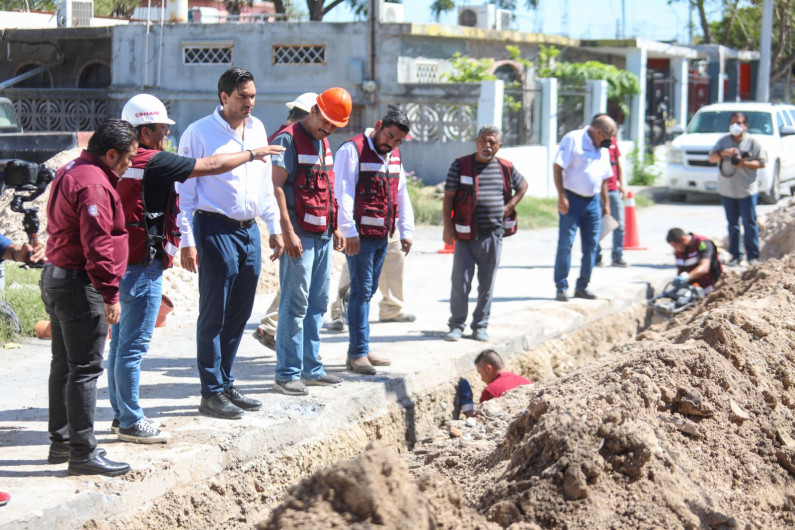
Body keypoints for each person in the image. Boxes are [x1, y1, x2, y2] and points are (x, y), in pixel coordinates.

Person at [109, 94, 283, 442]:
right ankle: (132, 418)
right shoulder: (155, 160)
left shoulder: (110, 164)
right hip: (144, 262)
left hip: (124, 259)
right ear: (144, 132)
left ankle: (124, 414)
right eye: (160, 130)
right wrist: (253, 154)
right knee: (134, 346)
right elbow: (209, 168)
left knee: (120, 344)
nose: (164, 137)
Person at [176, 67, 285, 419]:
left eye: (253, 95)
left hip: (248, 230)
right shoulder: (199, 132)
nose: (250, 102)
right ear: (224, 97)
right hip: (214, 228)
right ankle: (210, 392)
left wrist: (274, 226)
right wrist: (187, 240)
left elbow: (264, 184)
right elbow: (184, 192)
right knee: (214, 314)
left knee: (239, 312)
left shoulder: (257, 129)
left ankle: (225, 381)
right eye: (242, 96)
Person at [41, 118, 137, 476]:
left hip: (57, 276)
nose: (129, 166)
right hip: (80, 284)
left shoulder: (73, 169)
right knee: (84, 369)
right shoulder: (94, 185)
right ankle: (82, 453)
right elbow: (97, 246)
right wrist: (110, 294)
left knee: (64, 365)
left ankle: (62, 443)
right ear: (110, 154)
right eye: (127, 158)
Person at [271, 87, 352, 395]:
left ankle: (312, 368)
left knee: (317, 302)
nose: (328, 129)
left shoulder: (324, 142)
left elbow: (326, 188)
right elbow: (276, 188)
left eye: (335, 126)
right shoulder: (287, 140)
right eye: (326, 121)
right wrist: (287, 232)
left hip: (322, 235)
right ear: (314, 110)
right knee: (295, 304)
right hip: (299, 235)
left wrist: (336, 226)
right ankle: (287, 373)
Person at [334, 109, 414, 375]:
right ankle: (356, 354)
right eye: (389, 136)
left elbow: (401, 192)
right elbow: (342, 191)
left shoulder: (394, 155)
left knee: (367, 292)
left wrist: (406, 230)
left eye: (397, 141)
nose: (390, 144)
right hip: (360, 237)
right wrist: (348, 230)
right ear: (379, 126)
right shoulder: (352, 149)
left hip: (383, 235)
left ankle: (363, 347)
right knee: (361, 290)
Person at [442, 125, 528, 343]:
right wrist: (447, 227)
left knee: (487, 284)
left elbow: (523, 185)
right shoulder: (460, 165)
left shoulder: (505, 168)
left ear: (499, 146)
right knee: (460, 283)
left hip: (493, 235)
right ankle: (456, 325)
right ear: (476, 141)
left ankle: (480, 326)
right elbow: (449, 197)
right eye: (483, 140)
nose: (486, 146)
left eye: (492, 142)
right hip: (464, 236)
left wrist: (510, 205)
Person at [253, 91, 318, 350]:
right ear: (308, 117)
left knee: (297, 283)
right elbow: (276, 186)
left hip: (282, 220)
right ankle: (270, 328)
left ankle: (269, 326)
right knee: (296, 284)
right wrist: (281, 229)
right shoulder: (287, 141)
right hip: (286, 221)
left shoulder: (285, 137)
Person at [553, 115, 616, 302]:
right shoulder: (573, 139)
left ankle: (583, 286)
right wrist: (561, 195)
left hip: (593, 202)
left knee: (592, 246)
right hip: (571, 200)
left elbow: (604, 179)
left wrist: (606, 204)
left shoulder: (603, 149)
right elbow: (558, 167)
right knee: (566, 244)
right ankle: (561, 286)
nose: (610, 140)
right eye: (609, 135)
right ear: (599, 132)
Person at [707, 112, 765, 267]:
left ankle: (752, 256)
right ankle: (735, 255)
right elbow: (711, 158)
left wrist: (743, 163)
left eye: (739, 123)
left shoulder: (752, 143)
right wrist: (724, 153)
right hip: (728, 190)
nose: (735, 126)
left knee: (749, 223)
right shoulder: (723, 142)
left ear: (745, 125)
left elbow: (762, 163)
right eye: (732, 122)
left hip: (747, 190)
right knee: (732, 224)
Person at [456, 349, 532, 418]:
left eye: (480, 373)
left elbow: (478, 422)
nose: (481, 379)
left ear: (489, 369)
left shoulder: (490, 391)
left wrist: (468, 409)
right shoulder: (527, 382)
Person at [595, 129, 627, 268]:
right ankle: (595, 256)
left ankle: (617, 256)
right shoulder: (592, 143)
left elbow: (617, 162)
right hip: (596, 190)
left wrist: (622, 183)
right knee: (595, 225)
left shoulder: (612, 142)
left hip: (613, 189)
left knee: (619, 224)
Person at [666, 228, 722, 293]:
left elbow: (704, 267)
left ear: (683, 239)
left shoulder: (703, 243)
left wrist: (686, 277)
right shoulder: (679, 251)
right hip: (693, 288)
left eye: (675, 246)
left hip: (711, 287)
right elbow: (681, 269)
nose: (676, 249)